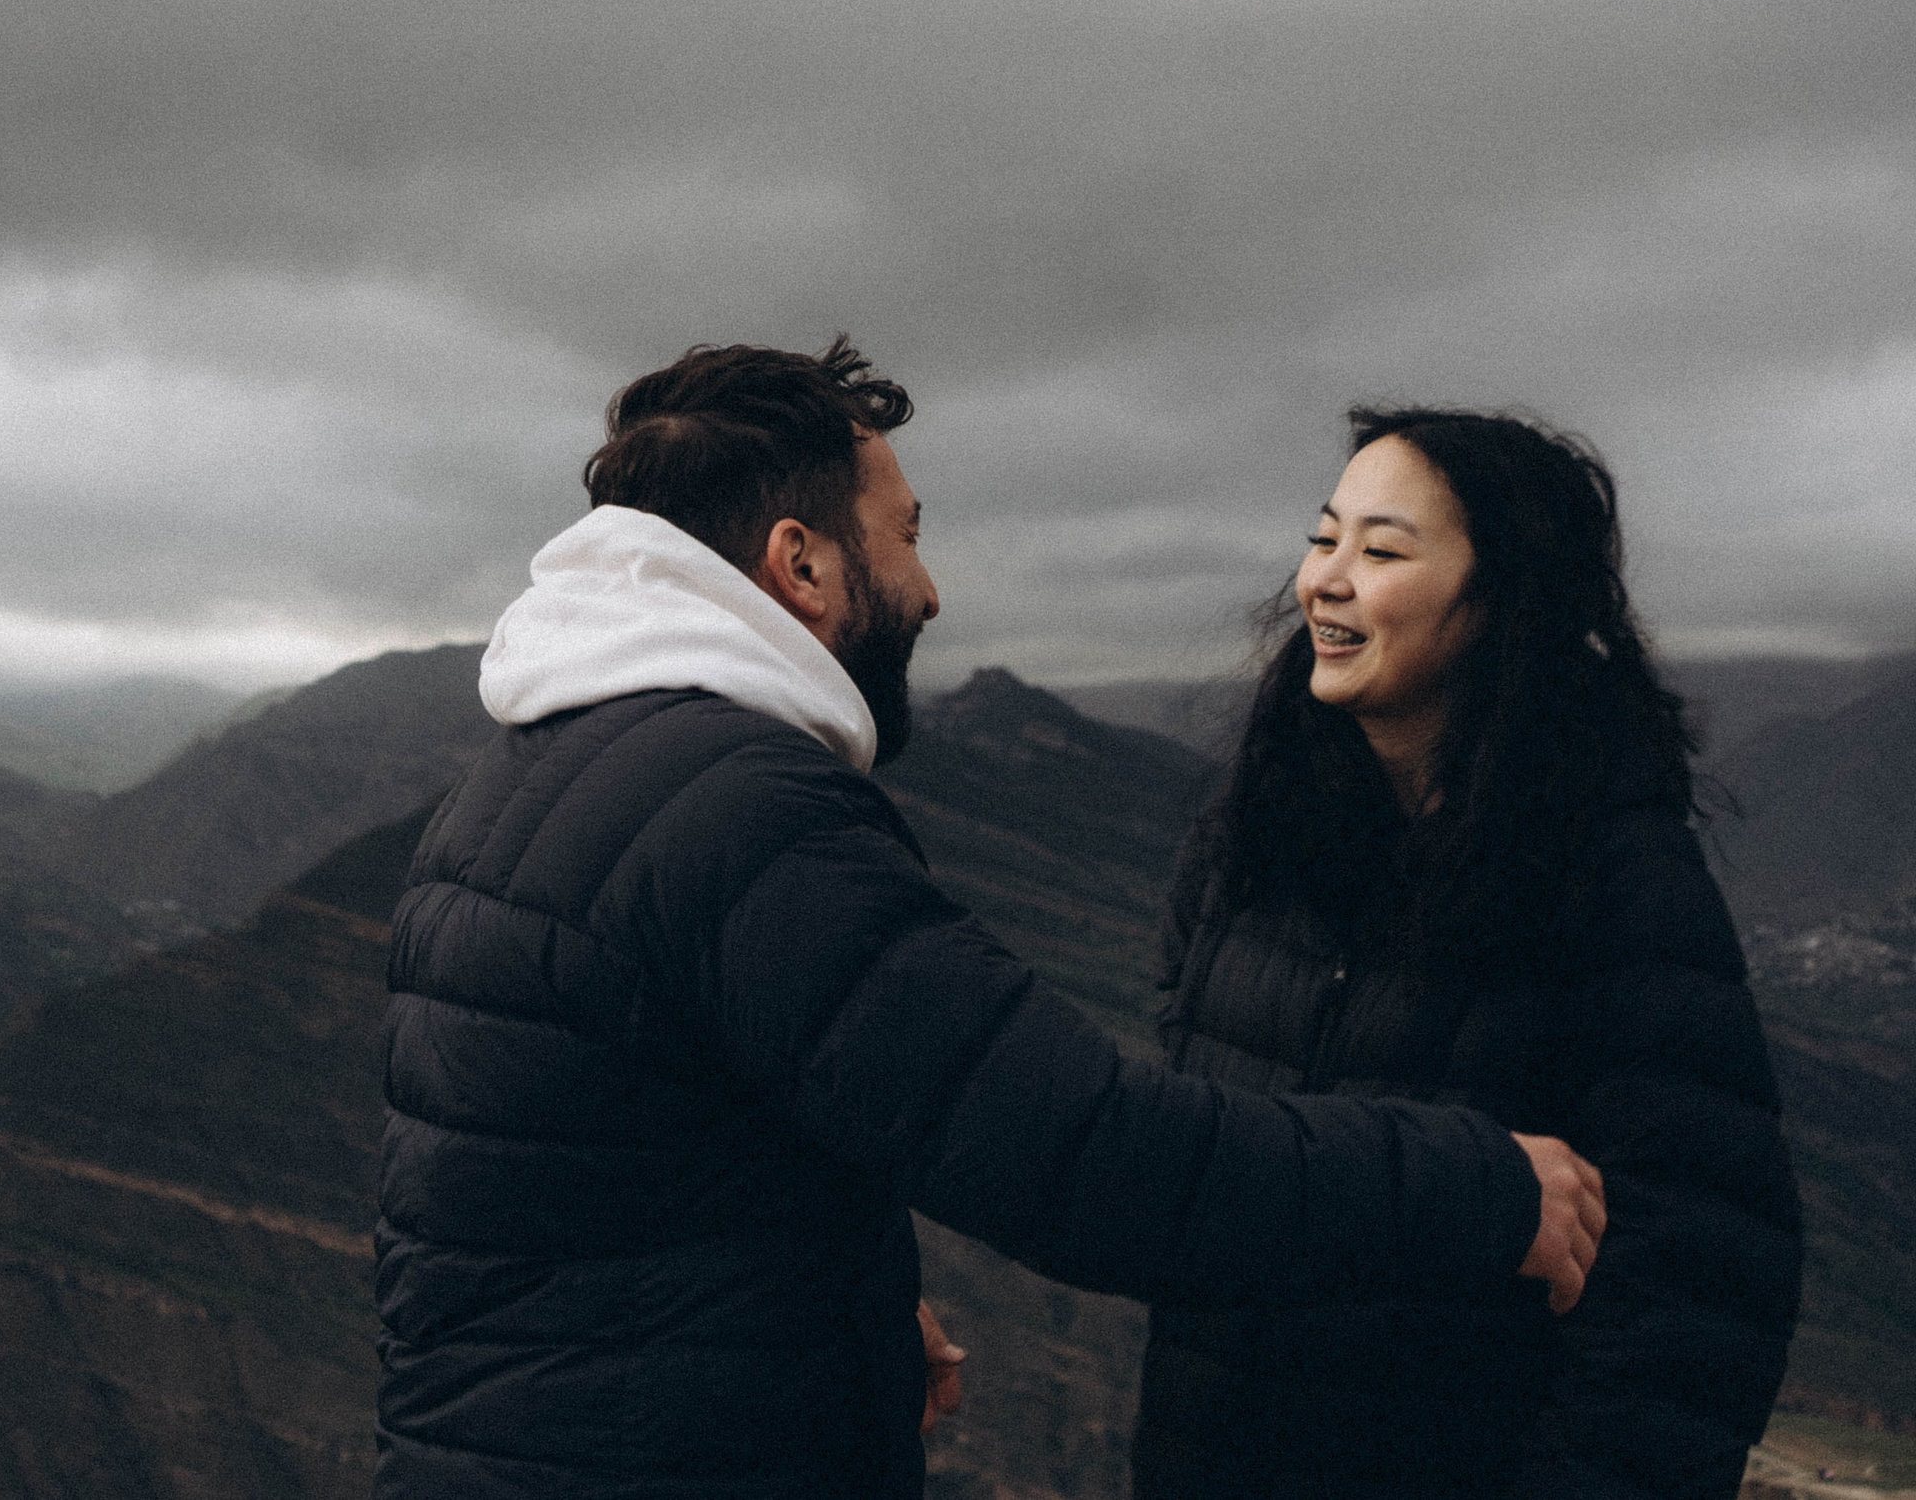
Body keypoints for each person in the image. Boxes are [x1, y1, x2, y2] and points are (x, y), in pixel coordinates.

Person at [374, 343, 1608, 1500]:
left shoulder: (526, 774)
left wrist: (828, 1325)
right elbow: (1083, 1155)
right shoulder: (736, 812)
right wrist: (1478, 1184)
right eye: (903, 538)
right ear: (801, 564)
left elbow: (565, 1199)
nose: (928, 590)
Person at [1132, 408, 1802, 1500]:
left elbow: (1697, 1285)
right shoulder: (1250, 844)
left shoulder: (1611, 881)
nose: (1325, 582)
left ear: (1497, 605)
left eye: (1382, 550)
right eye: (1322, 538)